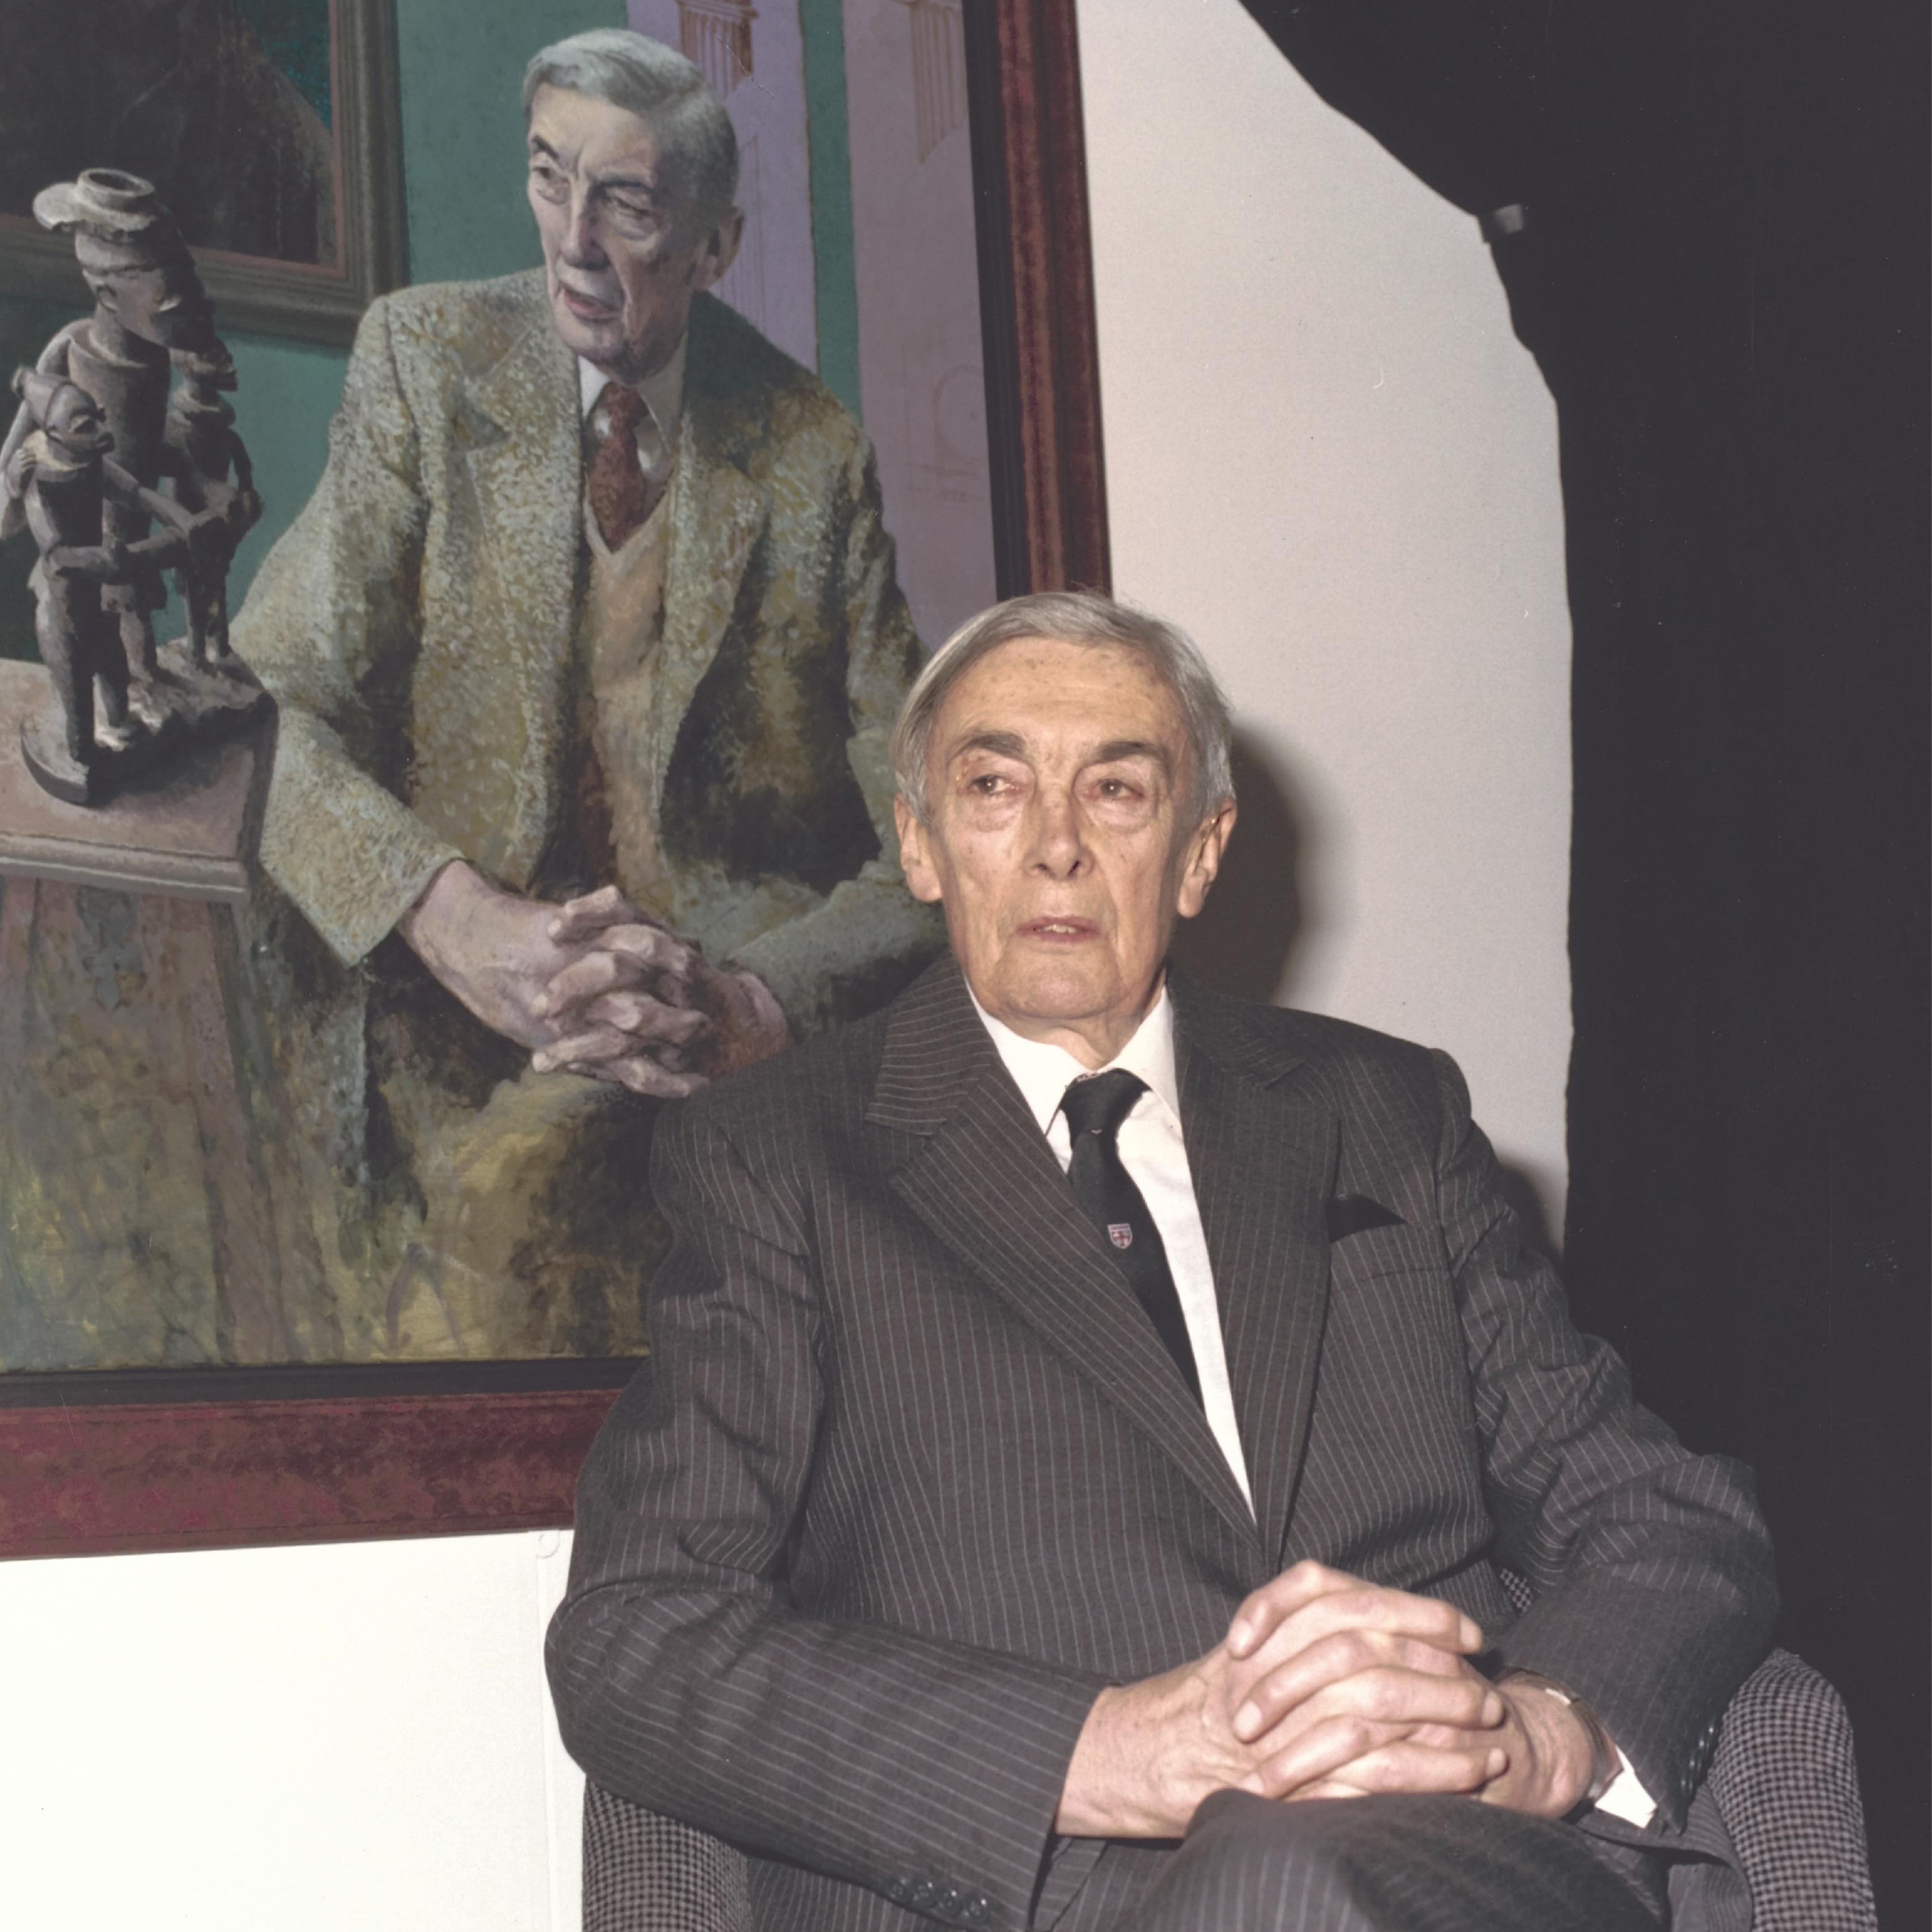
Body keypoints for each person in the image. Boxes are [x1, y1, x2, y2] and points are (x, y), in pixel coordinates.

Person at [547, 591, 1777, 1930]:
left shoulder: (1384, 1113)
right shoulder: (779, 1156)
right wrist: (1111, 1748)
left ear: (1199, 852)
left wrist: (1540, 1733)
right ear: (919, 843)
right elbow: (640, 1636)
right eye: (994, 785)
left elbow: (1665, 1514)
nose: (1058, 847)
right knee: (1271, 1882)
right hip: (1055, 1885)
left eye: (1119, 790)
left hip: (1454, 1868)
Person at [230, 30, 940, 1358]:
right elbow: (277, 707)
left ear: (716, 245)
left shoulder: (809, 448)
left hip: (707, 1043)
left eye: (626, 203)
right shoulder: (425, 363)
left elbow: (932, 833)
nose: (573, 241)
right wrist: (455, 918)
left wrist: (753, 1005)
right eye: (550, 179)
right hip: (449, 1026)